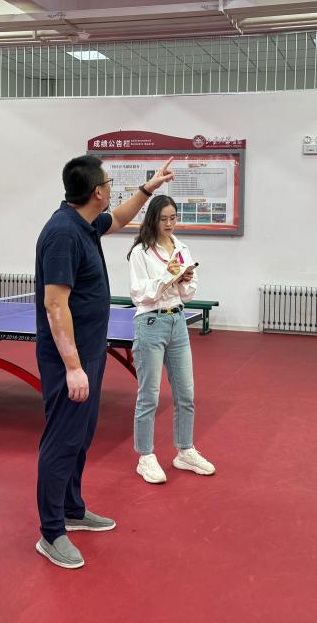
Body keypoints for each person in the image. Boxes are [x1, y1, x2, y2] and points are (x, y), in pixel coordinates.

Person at [34, 155, 175, 569]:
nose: (112, 188)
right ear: (97, 191)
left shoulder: (85, 223)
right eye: (109, 183)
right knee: (62, 440)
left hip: (90, 352)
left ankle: (72, 510)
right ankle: (51, 532)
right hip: (69, 359)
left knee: (80, 436)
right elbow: (55, 304)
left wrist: (148, 189)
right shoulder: (63, 234)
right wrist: (73, 367)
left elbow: (119, 218)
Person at [127, 194, 214, 484]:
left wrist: (185, 280)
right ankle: (145, 456)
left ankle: (185, 450)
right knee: (149, 395)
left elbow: (187, 294)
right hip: (150, 322)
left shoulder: (182, 248)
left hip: (178, 321)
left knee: (186, 393)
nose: (168, 223)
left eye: (173, 218)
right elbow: (140, 294)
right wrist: (169, 277)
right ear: (153, 219)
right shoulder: (140, 252)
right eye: (163, 218)